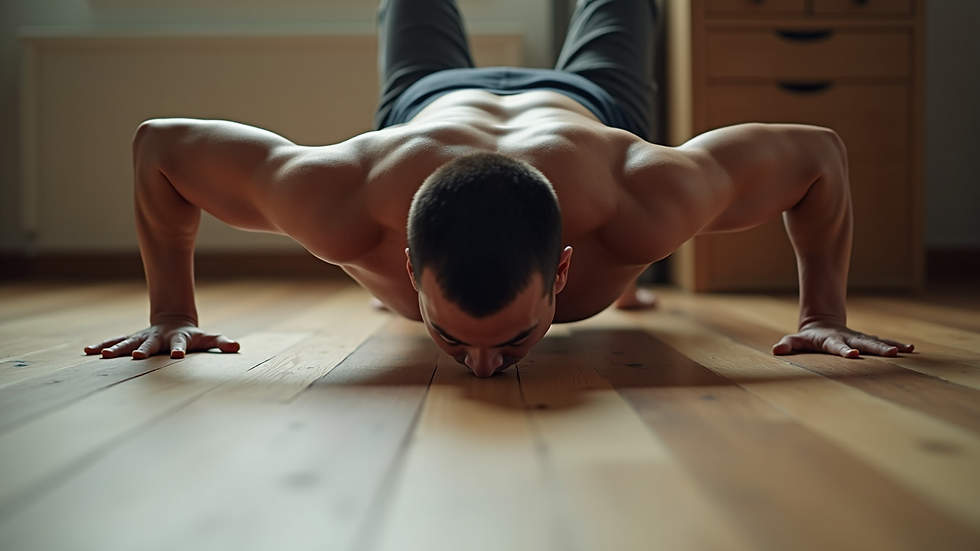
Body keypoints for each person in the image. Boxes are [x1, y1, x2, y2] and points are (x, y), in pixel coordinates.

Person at [84, 0, 913, 377]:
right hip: (428, 104)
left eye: (513, 342)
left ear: (562, 272)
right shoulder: (335, 199)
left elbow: (819, 155)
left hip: (588, 110)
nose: (483, 366)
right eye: (452, 338)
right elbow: (160, 149)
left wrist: (821, 316)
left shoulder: (644, 201)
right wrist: (171, 315)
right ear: (407, 267)